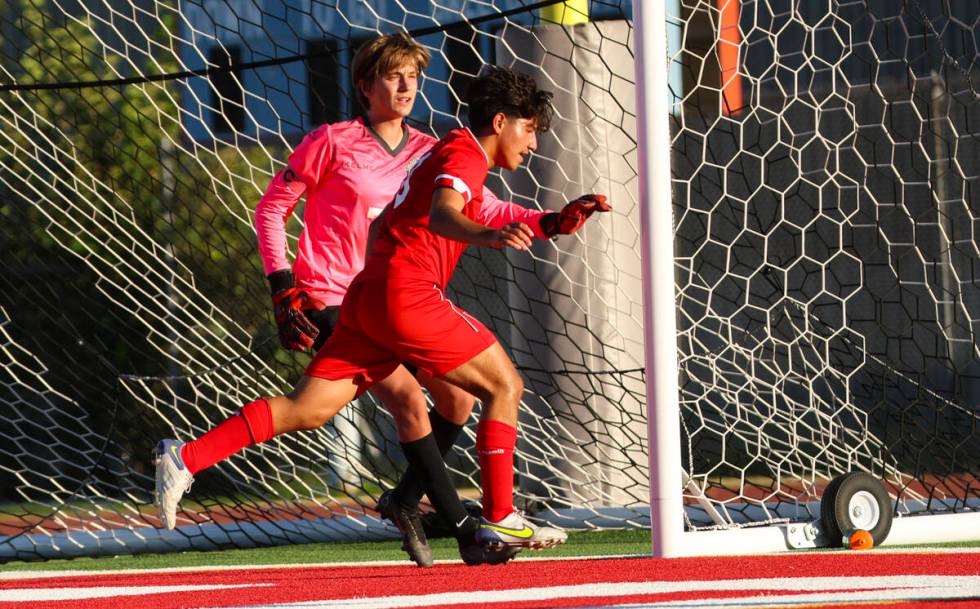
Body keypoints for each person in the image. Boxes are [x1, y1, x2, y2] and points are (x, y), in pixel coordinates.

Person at [154, 62, 610, 565]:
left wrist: (551, 221)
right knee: (504, 386)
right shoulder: (464, 151)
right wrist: (488, 237)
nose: (534, 144)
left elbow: (485, 209)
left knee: (308, 408)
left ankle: (186, 457)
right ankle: (498, 518)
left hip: (366, 297)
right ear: (500, 121)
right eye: (529, 130)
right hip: (405, 294)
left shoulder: (449, 154)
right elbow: (447, 214)